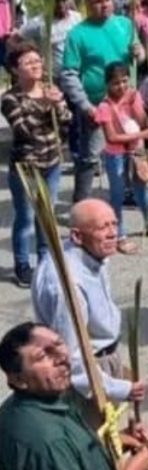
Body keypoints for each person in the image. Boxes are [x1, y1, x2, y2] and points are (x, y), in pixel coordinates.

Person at [0, 322, 148, 470]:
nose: (61, 358)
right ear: (18, 380)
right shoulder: (48, 442)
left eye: (59, 344)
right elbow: (57, 453)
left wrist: (119, 440)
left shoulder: (30, 404)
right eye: (42, 356)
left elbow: (72, 456)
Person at [32, 199, 148, 414]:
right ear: (77, 236)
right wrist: (120, 388)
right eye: (103, 227)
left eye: (114, 224)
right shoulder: (68, 285)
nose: (113, 233)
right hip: (88, 376)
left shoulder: (92, 253)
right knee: (96, 438)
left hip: (104, 359)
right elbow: (69, 356)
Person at [62, 0, 143, 202]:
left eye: (107, 0)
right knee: (90, 158)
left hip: (127, 102)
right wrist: (86, 106)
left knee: (129, 148)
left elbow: (138, 57)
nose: (104, 5)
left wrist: (139, 52)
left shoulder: (125, 24)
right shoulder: (77, 34)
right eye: (97, 1)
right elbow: (69, 74)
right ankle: (82, 204)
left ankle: (127, 192)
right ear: (87, 4)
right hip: (97, 104)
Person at [1, 41, 73, 287]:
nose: (35, 65)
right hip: (26, 166)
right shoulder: (10, 98)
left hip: (51, 161)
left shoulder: (49, 88)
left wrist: (59, 105)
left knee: (47, 214)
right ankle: (22, 263)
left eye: (37, 60)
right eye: (28, 62)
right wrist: (43, 104)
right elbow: (23, 130)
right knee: (26, 216)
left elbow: (66, 122)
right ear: (15, 70)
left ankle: (46, 258)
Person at [93, 63, 148, 251]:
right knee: (117, 196)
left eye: (125, 81)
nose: (122, 86)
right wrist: (143, 135)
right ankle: (120, 235)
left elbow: (142, 122)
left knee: (142, 189)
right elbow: (112, 137)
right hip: (115, 155)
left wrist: (141, 104)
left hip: (136, 151)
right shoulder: (104, 106)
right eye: (116, 83)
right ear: (108, 84)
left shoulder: (133, 96)